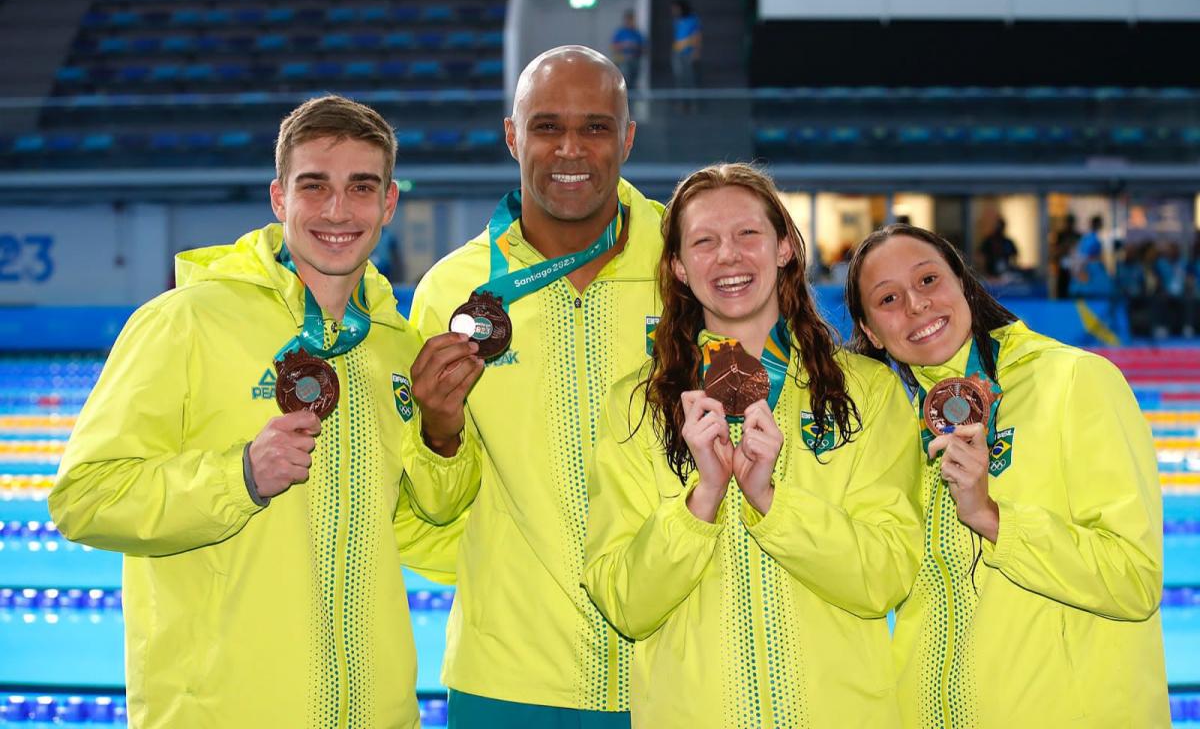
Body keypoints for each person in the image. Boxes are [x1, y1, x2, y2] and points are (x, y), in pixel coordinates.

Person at [48, 95, 480, 729]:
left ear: (389, 204)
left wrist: (443, 441)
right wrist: (240, 477)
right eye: (315, 186)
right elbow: (83, 499)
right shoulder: (184, 323)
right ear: (279, 199)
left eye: (362, 187)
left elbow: (423, 535)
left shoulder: (395, 349)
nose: (338, 210)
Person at [583, 163, 923, 728]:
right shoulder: (636, 404)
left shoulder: (868, 393)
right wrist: (703, 501)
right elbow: (625, 604)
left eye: (748, 234)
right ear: (679, 267)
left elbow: (884, 579)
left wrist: (771, 501)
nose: (729, 256)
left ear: (785, 247)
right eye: (704, 241)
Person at [405, 45, 663, 726]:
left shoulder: (689, 265)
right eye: (547, 126)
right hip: (507, 678)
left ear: (627, 138)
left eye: (595, 127)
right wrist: (437, 430)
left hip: (677, 665)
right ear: (513, 135)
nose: (570, 148)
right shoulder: (450, 293)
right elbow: (430, 507)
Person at [844, 223, 1168, 728]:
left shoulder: (1075, 382)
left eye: (928, 281)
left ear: (963, 285)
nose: (915, 305)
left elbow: (1134, 581)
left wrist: (993, 518)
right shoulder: (887, 428)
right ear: (869, 332)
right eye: (888, 298)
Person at [669, 0, 701, 90]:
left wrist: (696, 51)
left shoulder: (693, 19)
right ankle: (681, 103)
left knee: (690, 78)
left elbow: (697, 36)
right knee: (679, 78)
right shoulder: (676, 21)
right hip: (677, 52)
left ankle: (692, 103)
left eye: (675, 8)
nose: (673, 11)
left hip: (688, 53)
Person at [610, 8, 644, 89]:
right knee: (624, 80)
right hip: (622, 61)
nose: (630, 22)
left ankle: (632, 99)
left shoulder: (637, 33)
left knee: (633, 81)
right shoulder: (620, 32)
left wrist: (634, 46)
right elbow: (614, 46)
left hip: (634, 60)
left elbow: (644, 48)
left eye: (632, 20)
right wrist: (624, 45)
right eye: (628, 20)